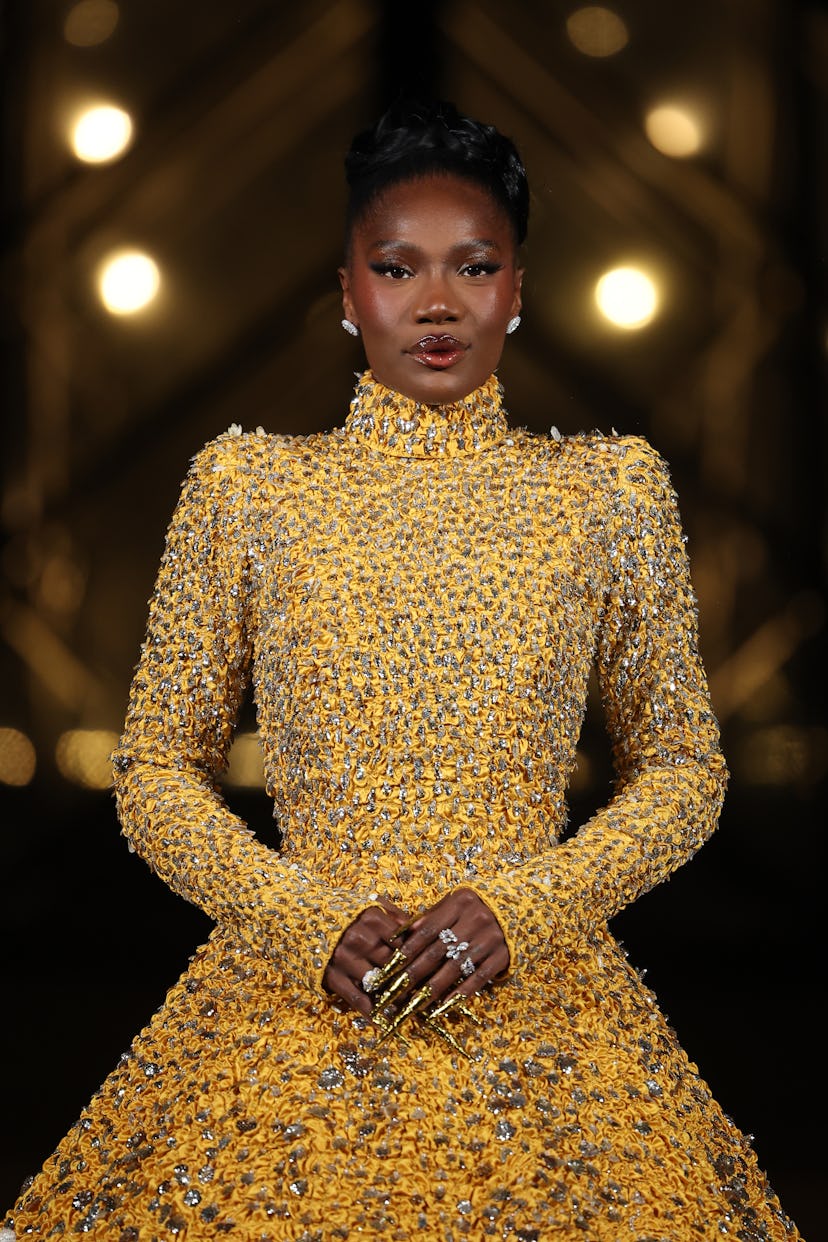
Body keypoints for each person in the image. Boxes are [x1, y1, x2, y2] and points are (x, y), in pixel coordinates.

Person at [3, 98, 803, 1241]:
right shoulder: (247, 491)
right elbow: (156, 774)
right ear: (346, 292)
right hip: (288, 1002)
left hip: (551, 1017)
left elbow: (683, 770)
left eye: (474, 267)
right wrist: (299, 916)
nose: (436, 302)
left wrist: (526, 910)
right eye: (397, 266)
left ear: (518, 291)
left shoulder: (610, 493)